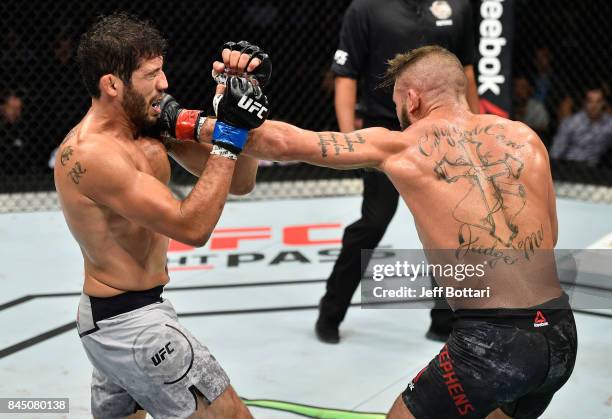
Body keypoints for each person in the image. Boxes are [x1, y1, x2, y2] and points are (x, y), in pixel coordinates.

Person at [194, 43, 577, 419]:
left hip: (493, 344)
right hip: (560, 332)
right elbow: (550, 236)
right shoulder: (526, 138)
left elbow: (280, 142)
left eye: (397, 104)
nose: (399, 115)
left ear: (412, 99)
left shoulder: (402, 145)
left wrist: (208, 108)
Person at [55, 14, 269, 418]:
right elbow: (193, 226)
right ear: (112, 84)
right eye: (151, 74)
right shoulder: (94, 155)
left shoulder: (148, 126)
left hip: (126, 315)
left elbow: (240, 181)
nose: (165, 83)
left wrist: (242, 108)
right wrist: (227, 137)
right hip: (129, 324)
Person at [322, 0, 481, 344]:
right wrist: (351, 142)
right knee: (375, 220)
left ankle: (445, 318)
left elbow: (466, 73)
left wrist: (476, 132)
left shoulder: (458, 6)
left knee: (453, 224)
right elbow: (346, 75)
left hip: (443, 129)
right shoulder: (365, 8)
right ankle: (330, 311)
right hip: (386, 130)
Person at [550, 87, 612, 167]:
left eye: (598, 101)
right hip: (569, 166)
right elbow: (556, 152)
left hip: (595, 169)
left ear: (604, 103)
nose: (594, 106)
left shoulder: (609, 124)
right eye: (590, 101)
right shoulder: (571, 123)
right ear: (584, 103)